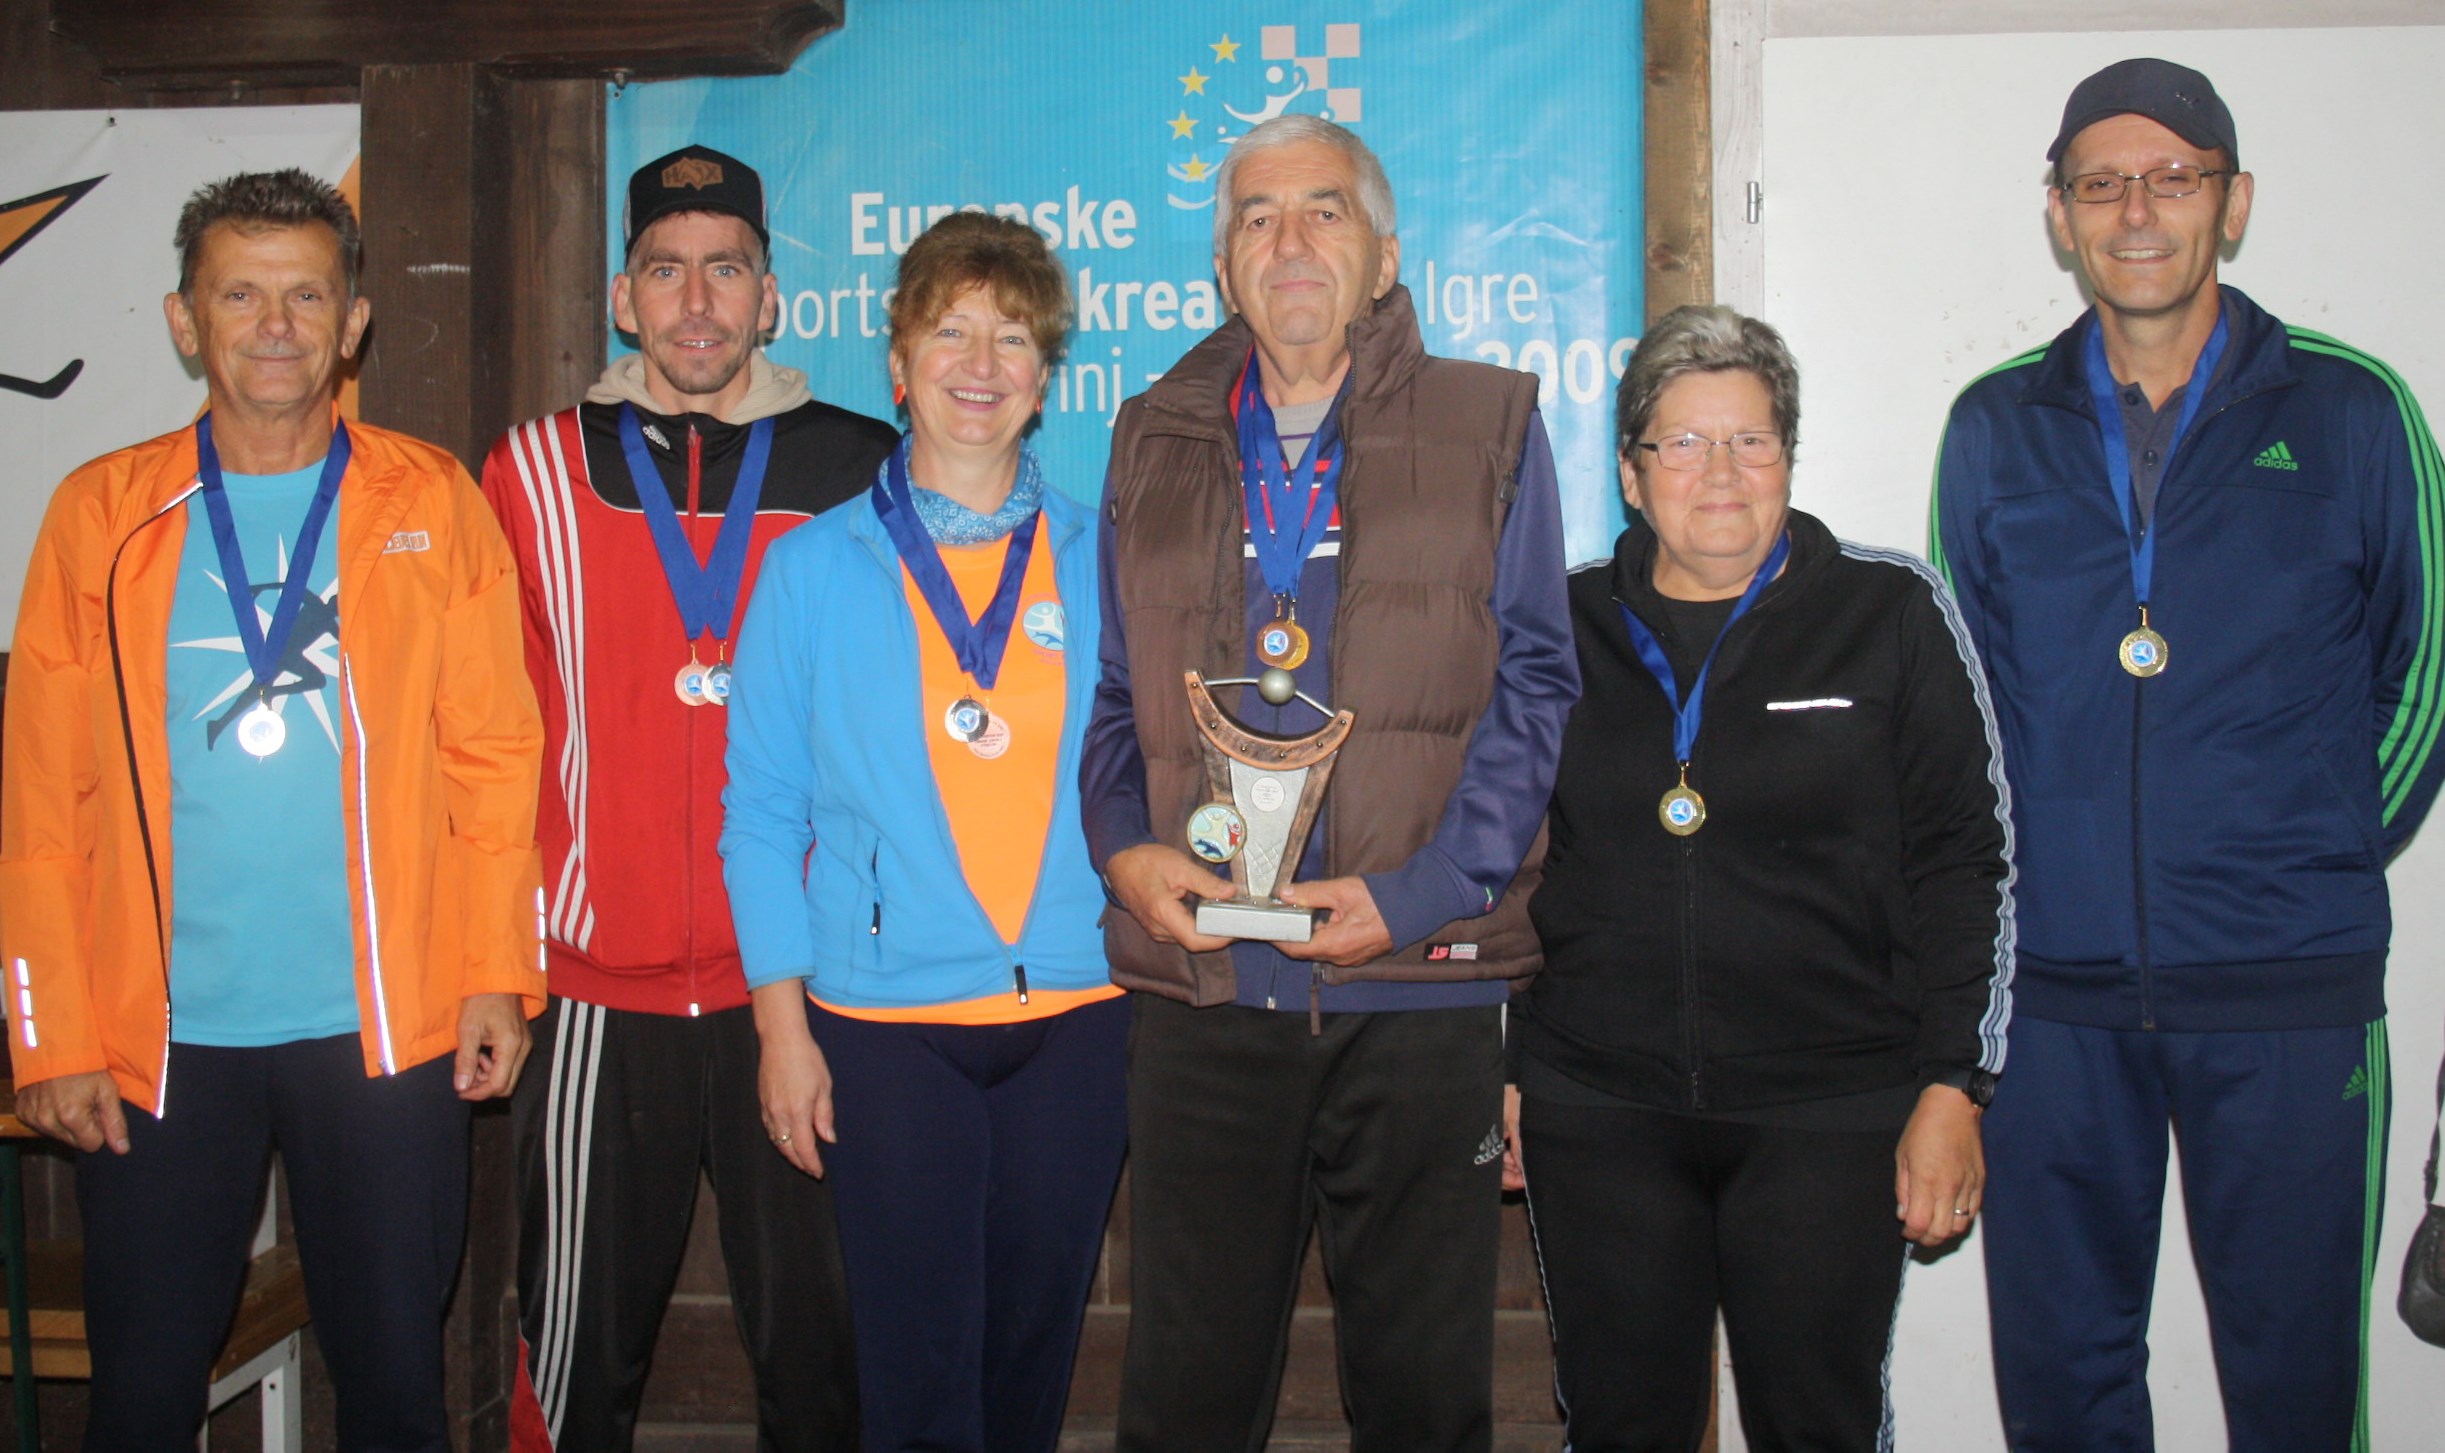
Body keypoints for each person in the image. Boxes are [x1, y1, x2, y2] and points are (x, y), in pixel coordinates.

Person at [1932, 58, 2444, 1451]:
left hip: (2288, 995)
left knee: (2293, 1392)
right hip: (2046, 1009)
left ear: (2233, 203)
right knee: (2063, 1387)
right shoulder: (1992, 426)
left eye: (2173, 177)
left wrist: (2315, 844)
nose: (2137, 210)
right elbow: (1963, 719)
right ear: (2059, 215)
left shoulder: (2354, 411)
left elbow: (2429, 673)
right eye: (2101, 182)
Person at [0, 169, 544, 1449]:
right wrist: (48, 1031)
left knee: (398, 1387)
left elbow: (496, 759)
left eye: (307, 293)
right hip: (159, 1041)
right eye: (239, 294)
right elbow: (39, 799)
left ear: (355, 318)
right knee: (140, 1393)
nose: (276, 325)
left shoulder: (432, 503)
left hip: (387, 1031)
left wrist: (495, 974)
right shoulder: (102, 516)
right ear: (186, 321)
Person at [1081, 113, 1579, 1450]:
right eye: (1255, 216)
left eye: (1322, 212)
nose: (1288, 240)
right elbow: (1118, 698)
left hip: (1415, 982)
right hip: (1204, 988)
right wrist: (1125, 850)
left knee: (1421, 1396)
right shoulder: (1149, 436)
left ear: (1382, 255)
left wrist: (1421, 891)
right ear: (1223, 264)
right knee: (1186, 1395)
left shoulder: (1490, 423)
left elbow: (1538, 685)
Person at [1514, 304, 2013, 1451]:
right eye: (1682, 443)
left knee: (1817, 1423)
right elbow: (1508, 859)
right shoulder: (1558, 623)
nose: (1721, 472)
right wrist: (1512, 1066)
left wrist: (1954, 1085)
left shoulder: (1888, 611)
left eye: (1752, 440)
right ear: (1633, 477)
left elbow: (1965, 858)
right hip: (1600, 1106)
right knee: (1620, 1423)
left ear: (1789, 455)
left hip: (1829, 1110)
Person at [480, 144, 894, 1450]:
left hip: (811, 989)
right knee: (578, 1355)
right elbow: (485, 742)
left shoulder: (864, 465)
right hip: (604, 989)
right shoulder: (534, 471)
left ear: (771, 297)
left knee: (823, 1357)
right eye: (667, 271)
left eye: (726, 270)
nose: (697, 300)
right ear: (623, 296)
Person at [721, 211, 1122, 1453]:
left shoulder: (1109, 556)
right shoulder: (811, 569)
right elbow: (759, 813)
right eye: (952, 329)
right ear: (898, 360)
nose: (982, 361)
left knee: (1030, 1363)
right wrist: (782, 1032)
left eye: (1013, 335)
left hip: (1079, 1016)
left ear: (1046, 376)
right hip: (883, 1030)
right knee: (914, 1376)